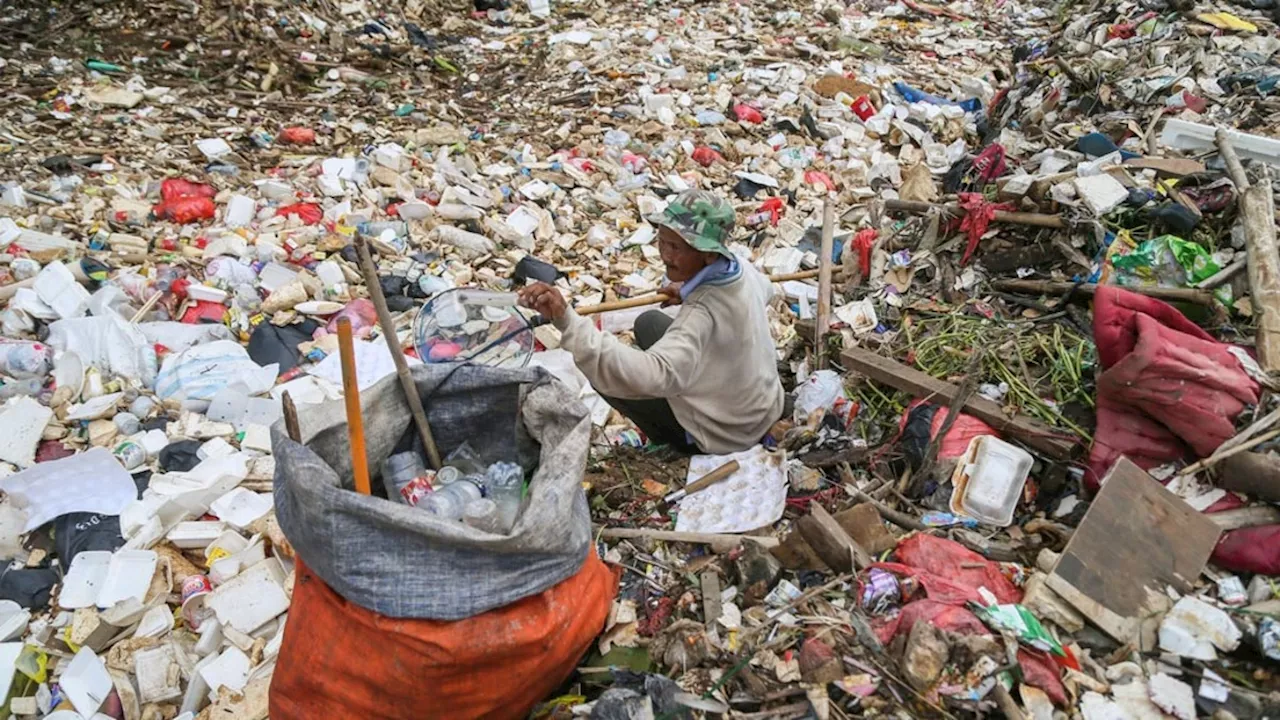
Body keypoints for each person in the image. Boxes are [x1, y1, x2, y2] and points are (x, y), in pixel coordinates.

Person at [519, 190, 784, 454]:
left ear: (709, 255)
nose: (666, 255)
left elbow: (654, 374)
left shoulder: (699, 314)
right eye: (663, 242)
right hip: (762, 405)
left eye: (677, 248)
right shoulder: (741, 269)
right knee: (649, 323)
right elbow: (767, 291)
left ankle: (683, 446)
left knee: (605, 373)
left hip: (729, 434)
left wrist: (568, 321)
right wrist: (686, 292)